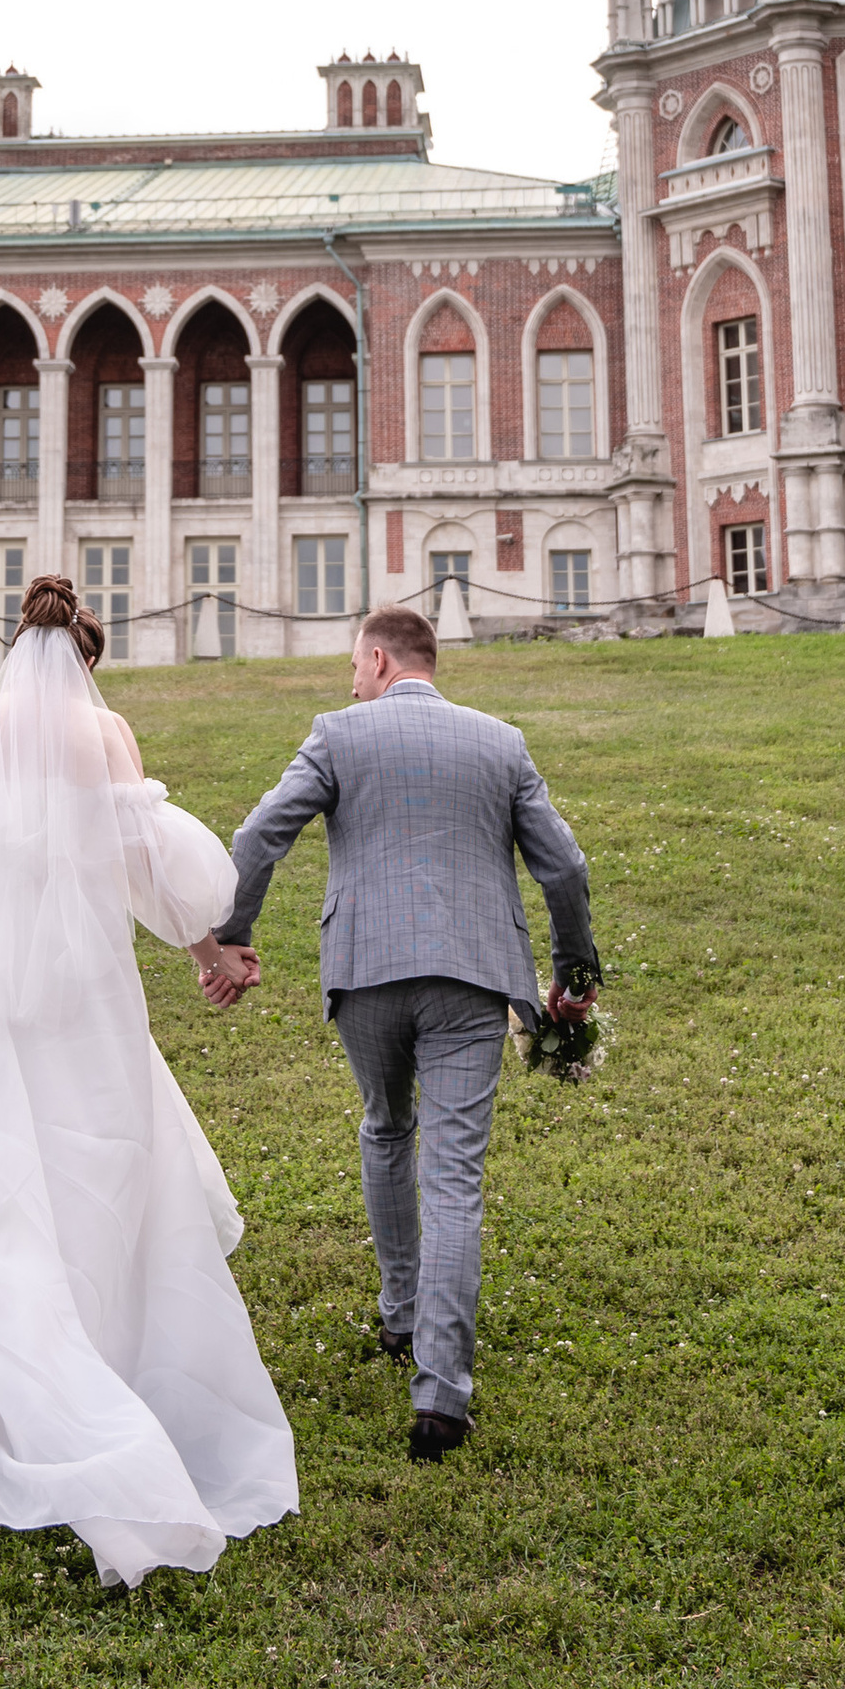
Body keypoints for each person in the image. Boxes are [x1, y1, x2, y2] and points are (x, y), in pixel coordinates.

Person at [0, 573, 297, 1587]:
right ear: (87, 661)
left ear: (17, 651)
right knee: (97, 1179)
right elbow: (152, 873)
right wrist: (211, 954)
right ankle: (97, 1373)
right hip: (83, 1003)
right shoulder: (109, 735)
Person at [195, 604, 599, 1463]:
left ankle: (401, 1313)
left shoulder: (337, 734)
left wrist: (231, 937)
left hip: (366, 968)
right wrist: (574, 976)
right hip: (473, 976)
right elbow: (564, 865)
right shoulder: (501, 742)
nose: (350, 683)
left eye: (354, 666)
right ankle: (441, 1392)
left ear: (378, 659)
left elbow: (259, 834)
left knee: (386, 1127)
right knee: (453, 1175)